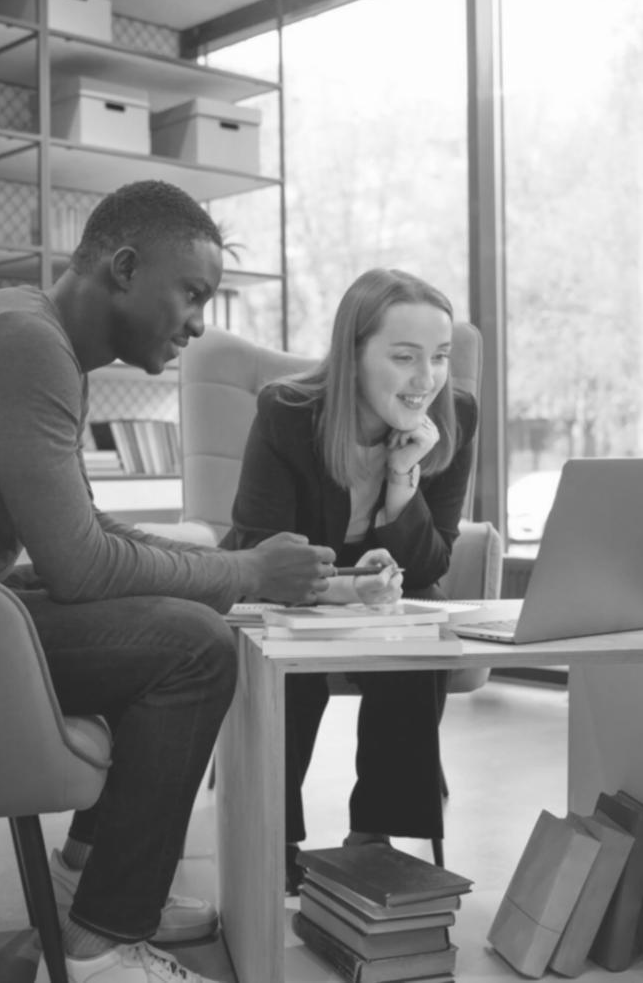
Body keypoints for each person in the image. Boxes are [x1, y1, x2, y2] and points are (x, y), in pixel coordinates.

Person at [0, 180, 335, 983]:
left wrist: (226, 568)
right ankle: (104, 941)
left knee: (170, 614)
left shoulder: (34, 335)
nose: (199, 323)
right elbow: (81, 568)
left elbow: (83, 533)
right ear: (124, 267)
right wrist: (245, 571)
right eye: (192, 294)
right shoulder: (24, 344)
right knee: (191, 647)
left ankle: (90, 875)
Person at [220, 267, 478, 893]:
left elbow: (430, 564)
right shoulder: (287, 414)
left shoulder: (453, 416)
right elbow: (262, 553)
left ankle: (374, 837)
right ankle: (275, 833)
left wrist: (401, 483)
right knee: (295, 658)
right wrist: (343, 589)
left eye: (440, 357)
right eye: (404, 357)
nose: (427, 380)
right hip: (282, 588)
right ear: (354, 354)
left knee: (421, 637)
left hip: (386, 593)